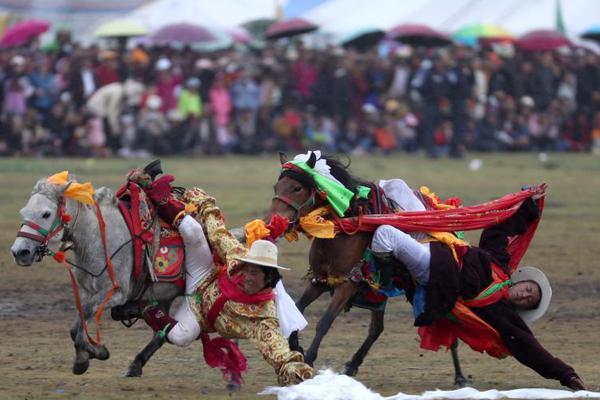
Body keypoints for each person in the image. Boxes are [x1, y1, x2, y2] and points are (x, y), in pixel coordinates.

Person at [370, 183, 586, 390]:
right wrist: (529, 201)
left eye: (529, 300)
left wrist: (565, 374)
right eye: (529, 289)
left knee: (384, 234)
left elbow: (529, 347)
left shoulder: (502, 314)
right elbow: (499, 230)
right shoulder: (500, 263)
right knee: (395, 186)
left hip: (437, 271)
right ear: (521, 281)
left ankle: (382, 278)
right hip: (439, 240)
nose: (525, 295)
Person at [127, 167, 312, 385]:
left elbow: (275, 347)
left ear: (268, 279)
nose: (249, 277)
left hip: (200, 313)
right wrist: (204, 201)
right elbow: (217, 232)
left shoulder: (262, 317)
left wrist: (291, 367)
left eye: (256, 274)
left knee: (181, 337)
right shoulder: (237, 256)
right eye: (249, 269)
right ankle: (153, 190)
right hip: (204, 274)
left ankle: (146, 309)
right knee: (195, 232)